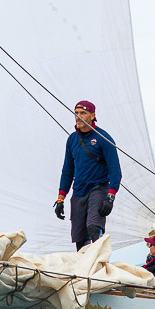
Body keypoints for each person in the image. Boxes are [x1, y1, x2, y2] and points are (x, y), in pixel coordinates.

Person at [54, 100, 122, 248]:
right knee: (80, 239)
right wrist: (60, 199)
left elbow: (115, 170)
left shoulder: (103, 138)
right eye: (76, 113)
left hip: (98, 189)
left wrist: (111, 197)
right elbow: (67, 171)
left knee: (93, 228)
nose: (78, 116)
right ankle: (85, 263)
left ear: (92, 115)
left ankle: (100, 260)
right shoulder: (72, 139)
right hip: (78, 192)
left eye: (83, 113)